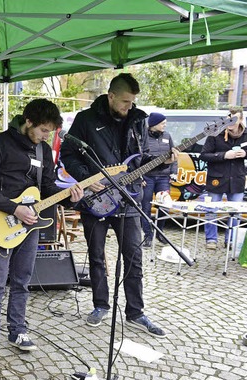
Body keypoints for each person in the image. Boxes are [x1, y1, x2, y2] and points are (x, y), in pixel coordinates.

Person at [0, 99, 83, 366]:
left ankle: (17, 330)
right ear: (29, 122)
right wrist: (14, 209)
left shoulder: (44, 150)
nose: (46, 137)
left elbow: (46, 187)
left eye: (50, 133)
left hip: (31, 225)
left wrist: (70, 198)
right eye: (44, 130)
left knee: (22, 280)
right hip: (1, 222)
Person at [60, 73, 168, 338]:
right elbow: (68, 154)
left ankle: (136, 312)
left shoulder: (138, 119)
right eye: (124, 101)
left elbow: (139, 160)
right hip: (95, 199)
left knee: (134, 256)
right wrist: (86, 178)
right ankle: (100, 305)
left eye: (132, 102)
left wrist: (162, 162)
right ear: (110, 96)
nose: (128, 107)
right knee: (96, 256)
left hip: (129, 197)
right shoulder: (86, 120)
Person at [199, 105, 246, 250]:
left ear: (241, 119)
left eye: (234, 119)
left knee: (235, 212)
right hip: (217, 178)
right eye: (228, 119)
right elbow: (204, 155)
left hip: (237, 179)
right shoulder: (214, 133)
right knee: (211, 210)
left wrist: (245, 154)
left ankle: (231, 240)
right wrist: (223, 155)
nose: (230, 123)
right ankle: (211, 239)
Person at [141, 112, 177, 247]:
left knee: (164, 205)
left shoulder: (167, 136)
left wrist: (174, 172)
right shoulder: (143, 137)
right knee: (146, 207)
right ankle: (148, 236)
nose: (165, 125)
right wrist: (139, 177)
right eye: (162, 123)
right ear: (154, 124)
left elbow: (174, 155)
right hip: (147, 177)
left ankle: (160, 233)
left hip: (164, 177)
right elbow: (138, 158)